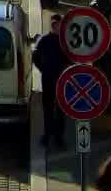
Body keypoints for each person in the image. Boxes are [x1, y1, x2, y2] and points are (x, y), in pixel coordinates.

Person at [33, 12, 69, 149]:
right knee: (48, 107)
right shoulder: (44, 40)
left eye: (58, 24)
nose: (55, 26)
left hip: (63, 78)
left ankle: (59, 136)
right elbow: (35, 56)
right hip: (48, 78)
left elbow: (71, 58)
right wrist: (43, 69)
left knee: (61, 108)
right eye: (54, 24)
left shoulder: (65, 41)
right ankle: (47, 134)